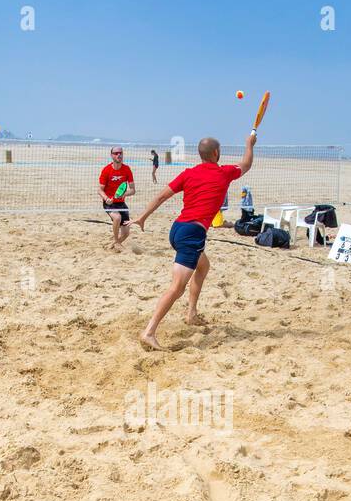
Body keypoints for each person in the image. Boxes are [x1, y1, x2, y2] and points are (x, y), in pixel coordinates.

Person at [131, 133, 255, 350]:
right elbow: (246, 164)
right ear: (216, 153)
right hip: (192, 234)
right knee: (177, 287)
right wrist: (248, 144)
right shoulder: (224, 172)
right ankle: (149, 332)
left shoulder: (188, 173)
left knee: (203, 266)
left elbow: (161, 196)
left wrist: (143, 217)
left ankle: (191, 313)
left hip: (177, 228)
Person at [98, 146, 135, 250]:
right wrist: (106, 198)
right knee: (117, 218)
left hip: (121, 203)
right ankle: (117, 243)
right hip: (109, 203)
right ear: (111, 155)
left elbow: (133, 190)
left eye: (120, 153)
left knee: (126, 233)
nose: (119, 155)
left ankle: (114, 244)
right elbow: (99, 190)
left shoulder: (127, 169)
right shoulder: (106, 170)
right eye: (116, 153)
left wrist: (125, 194)